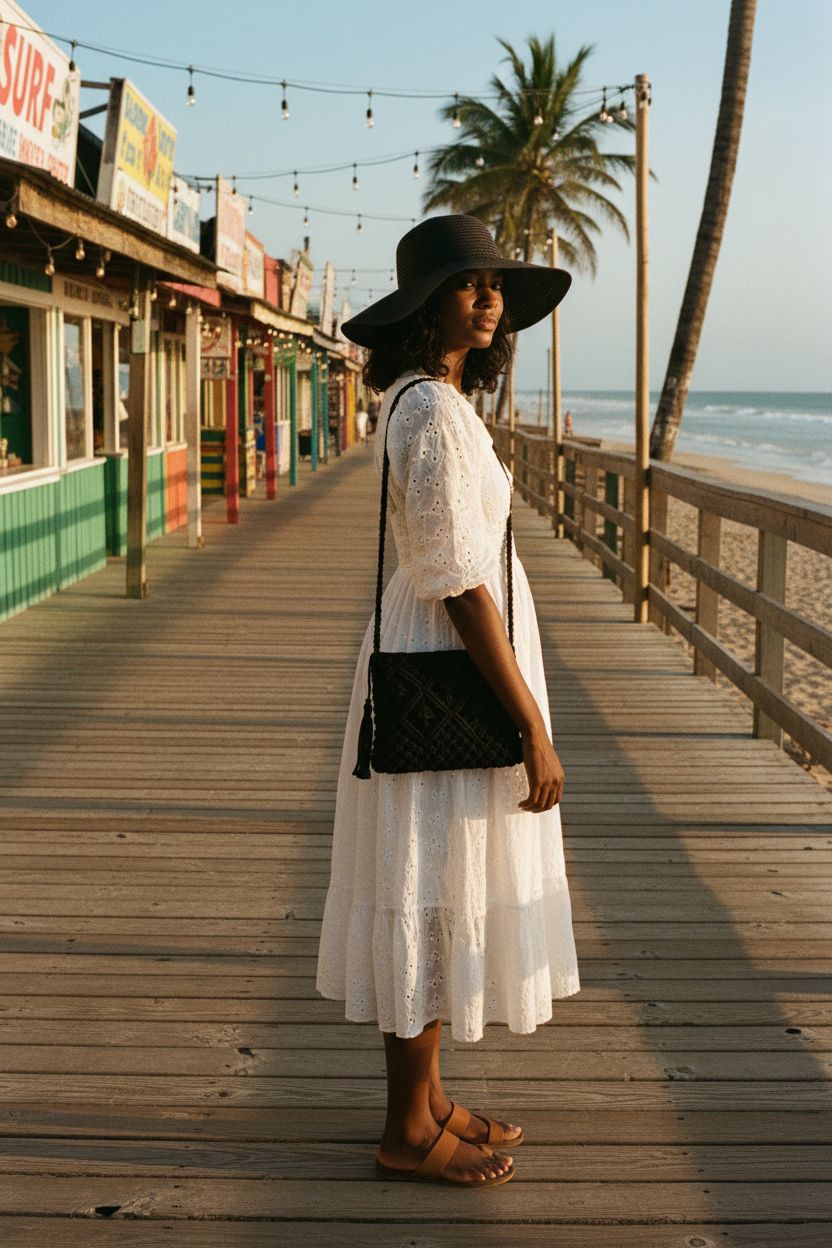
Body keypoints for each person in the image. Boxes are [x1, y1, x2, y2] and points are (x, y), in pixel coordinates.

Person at [315, 214, 581, 1188]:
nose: (487, 299)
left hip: (448, 654)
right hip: (448, 661)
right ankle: (404, 1129)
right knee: (425, 890)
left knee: (436, 882)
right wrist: (529, 724)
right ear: (423, 306)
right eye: (467, 284)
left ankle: (428, 1102)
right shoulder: (426, 413)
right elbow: (459, 582)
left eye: (495, 287)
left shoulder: (444, 408)